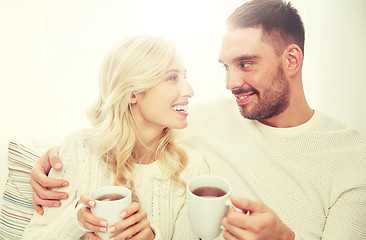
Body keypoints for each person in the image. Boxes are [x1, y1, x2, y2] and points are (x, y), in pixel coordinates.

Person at [29, 0, 366, 239]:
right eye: (225, 66)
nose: (230, 83)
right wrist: (52, 162)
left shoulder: (352, 158)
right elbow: (127, 130)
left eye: (246, 64)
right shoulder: (203, 118)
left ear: (291, 60)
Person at [22, 35, 209, 240]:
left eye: (185, 76)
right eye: (173, 78)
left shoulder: (193, 167)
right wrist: (77, 217)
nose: (189, 91)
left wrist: (151, 238)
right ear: (132, 92)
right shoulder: (78, 149)